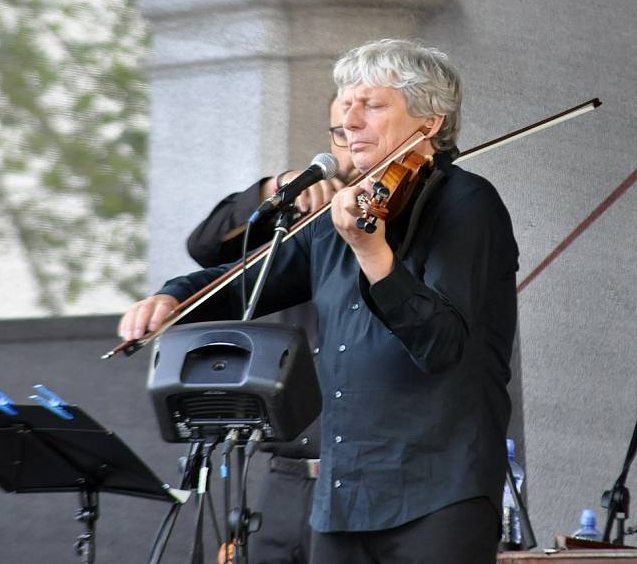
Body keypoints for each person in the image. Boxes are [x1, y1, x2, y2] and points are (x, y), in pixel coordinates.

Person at [120, 39, 518, 564]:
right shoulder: (338, 216)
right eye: (345, 105)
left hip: (438, 491)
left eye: (371, 105)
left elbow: (440, 344)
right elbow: (242, 277)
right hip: (343, 491)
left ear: (430, 124)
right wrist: (173, 298)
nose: (348, 120)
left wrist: (373, 252)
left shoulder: (468, 203)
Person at [185, 96, 355, 564]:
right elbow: (204, 246)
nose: (351, 142)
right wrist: (276, 189)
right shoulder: (302, 219)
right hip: (286, 472)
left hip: (361, 479)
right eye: (339, 132)